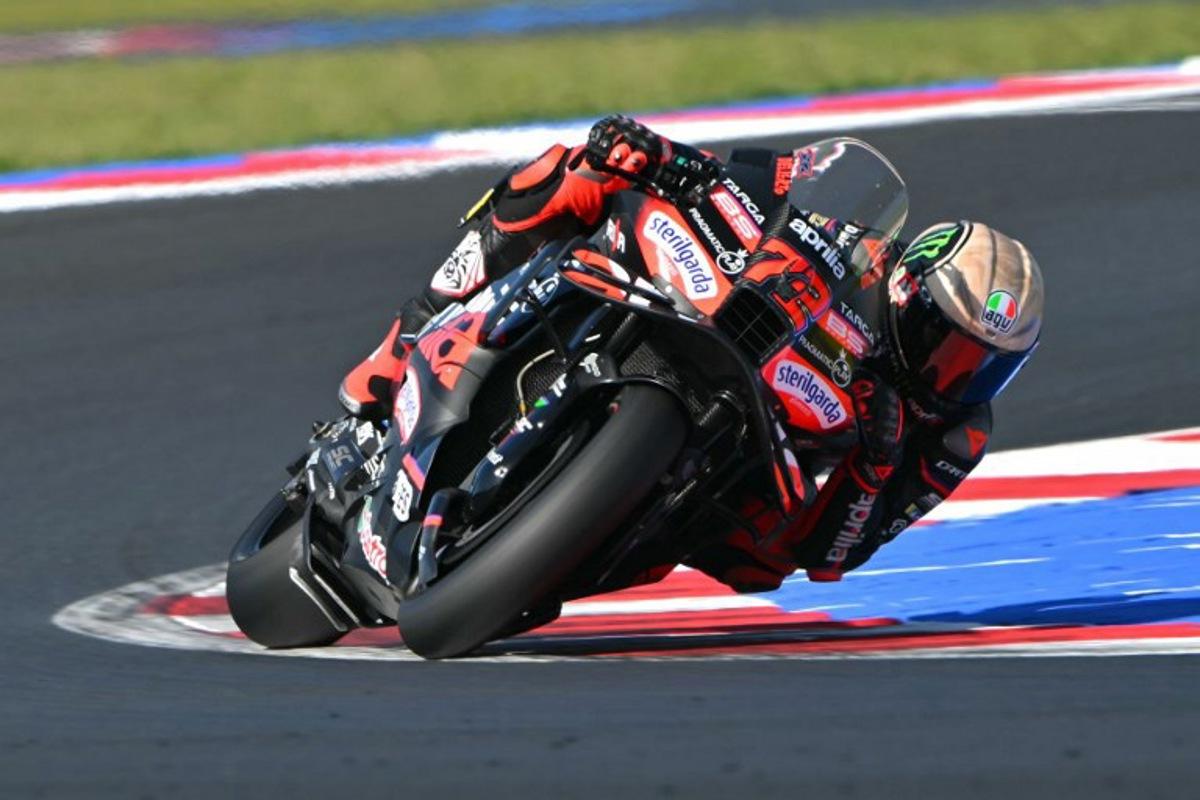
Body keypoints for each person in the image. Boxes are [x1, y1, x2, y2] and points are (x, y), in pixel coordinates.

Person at [338, 115, 1044, 589]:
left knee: (764, 565)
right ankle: (409, 335)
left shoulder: (955, 432)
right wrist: (659, 155)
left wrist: (876, 463)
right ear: (908, 296)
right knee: (581, 171)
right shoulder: (859, 252)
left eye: (984, 367)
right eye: (946, 348)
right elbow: (759, 181)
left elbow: (831, 560)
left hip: (755, 482)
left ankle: (577, 532)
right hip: (722, 325)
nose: (954, 376)